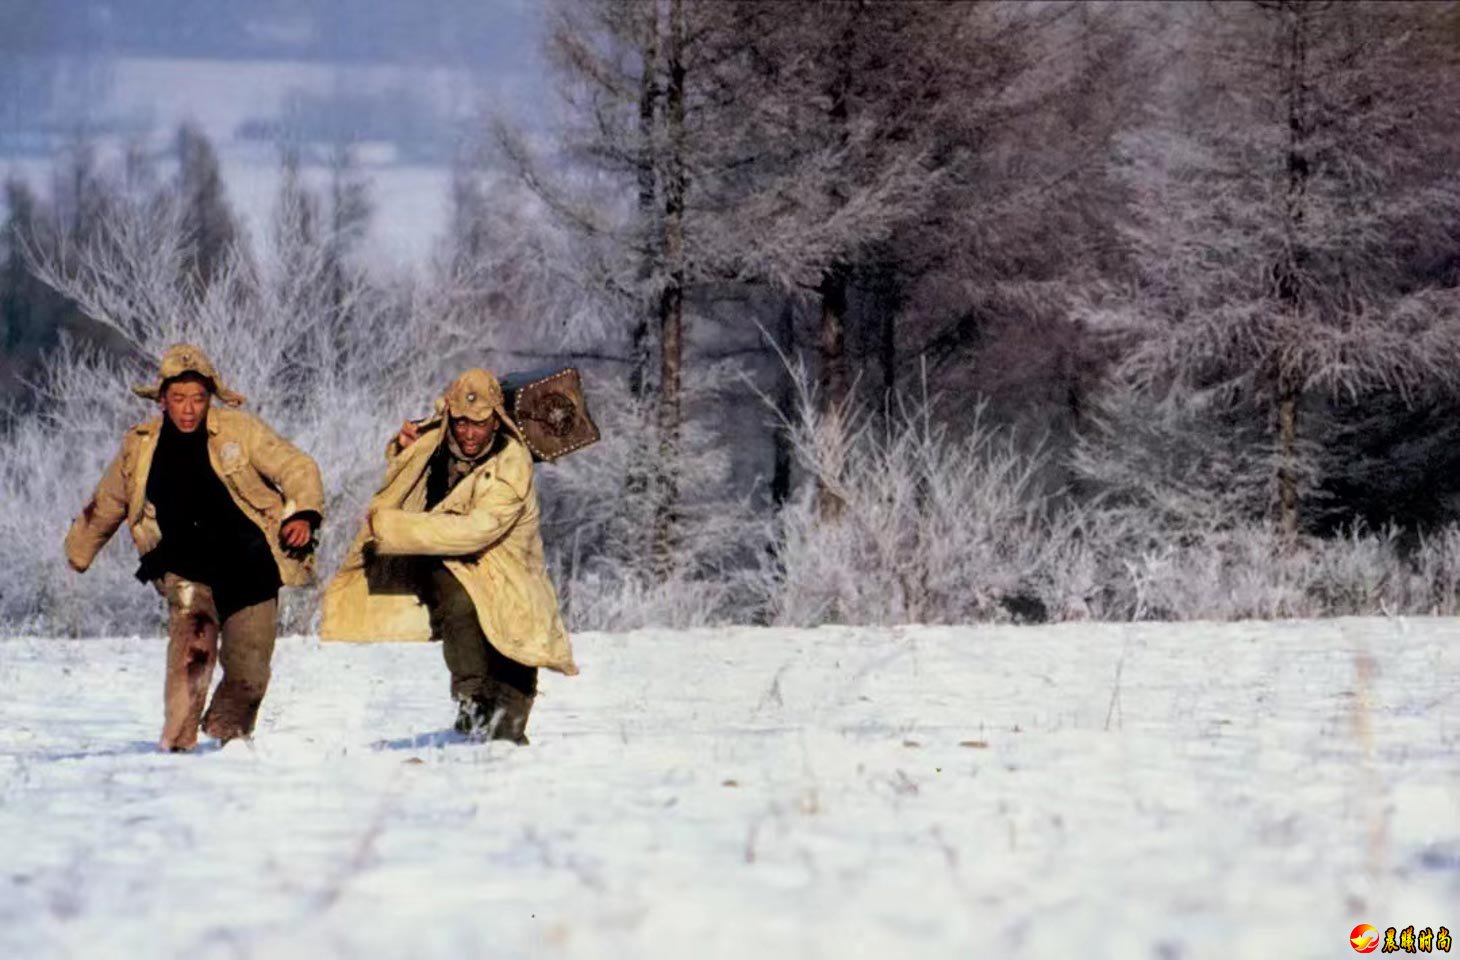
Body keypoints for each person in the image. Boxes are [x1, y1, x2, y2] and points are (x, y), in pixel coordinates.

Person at [64, 344, 324, 751]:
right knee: (192, 652)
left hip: (251, 567)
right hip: (184, 567)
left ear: (210, 399)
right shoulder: (141, 445)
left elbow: (296, 466)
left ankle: (228, 737)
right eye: (179, 399)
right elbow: (109, 499)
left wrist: (302, 514)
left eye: (198, 399)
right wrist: (79, 551)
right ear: (163, 399)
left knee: (249, 675)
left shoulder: (241, 431)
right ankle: (178, 745)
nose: (188, 410)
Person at [320, 367, 577, 744]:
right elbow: (410, 463)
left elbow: (479, 529)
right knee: (459, 603)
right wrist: (401, 447)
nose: (470, 433)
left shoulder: (512, 462)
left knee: (515, 668)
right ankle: (470, 698)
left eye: (480, 423)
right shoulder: (438, 437)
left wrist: (391, 529)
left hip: (509, 570)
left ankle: (503, 740)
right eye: (461, 423)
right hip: (446, 558)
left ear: (496, 420)